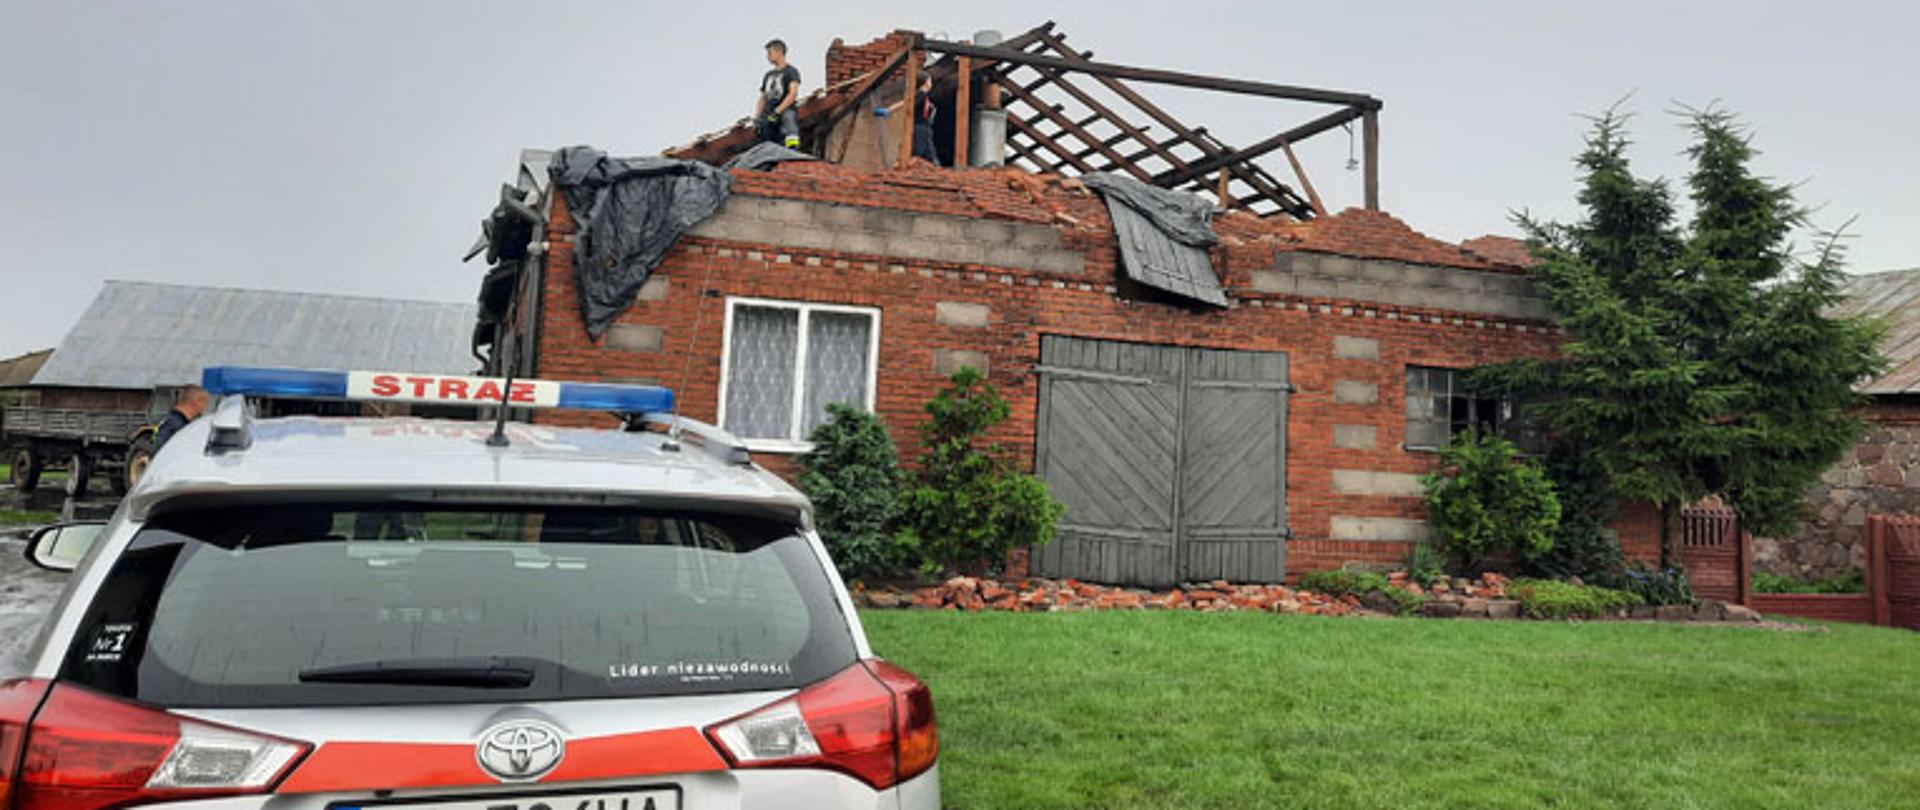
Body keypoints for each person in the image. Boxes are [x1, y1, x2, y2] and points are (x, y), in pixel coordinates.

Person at [879, 73, 939, 164]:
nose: (931, 83)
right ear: (925, 82)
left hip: (926, 129)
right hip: (920, 129)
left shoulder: (925, 95)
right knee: (916, 155)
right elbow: (906, 103)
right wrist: (889, 110)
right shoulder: (920, 94)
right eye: (929, 80)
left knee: (931, 157)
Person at [755, 39, 801, 149]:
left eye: (770, 53)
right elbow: (763, 97)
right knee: (764, 129)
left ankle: (792, 148)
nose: (768, 56)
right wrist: (757, 117)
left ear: (779, 52)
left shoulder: (791, 71)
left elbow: (793, 94)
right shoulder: (768, 75)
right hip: (769, 111)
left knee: (788, 118)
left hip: (785, 108)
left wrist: (778, 111)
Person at [154, 384, 210, 450]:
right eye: (206, 402)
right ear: (197, 402)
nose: (207, 407)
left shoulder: (173, 420)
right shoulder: (175, 424)